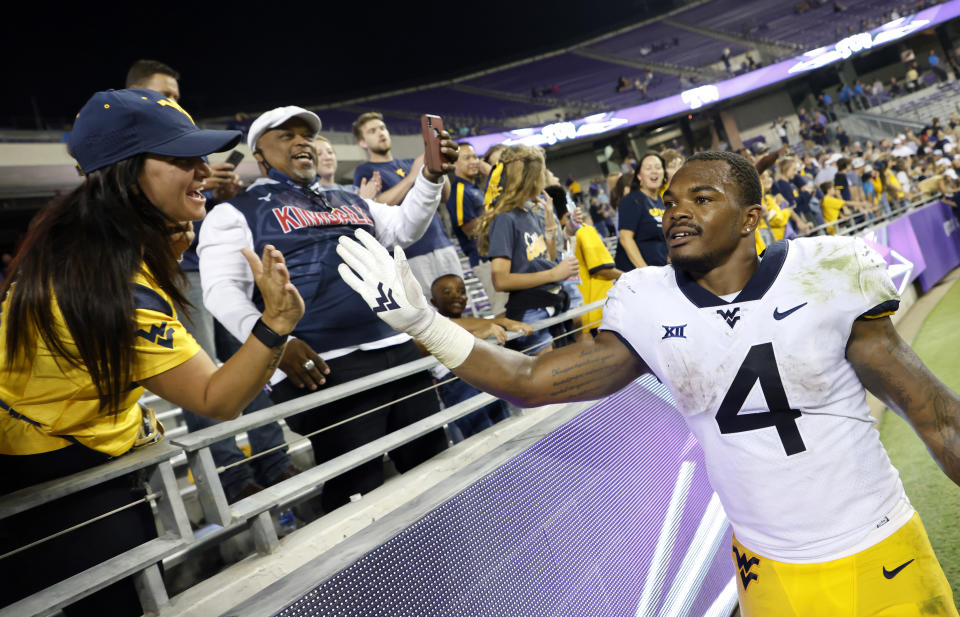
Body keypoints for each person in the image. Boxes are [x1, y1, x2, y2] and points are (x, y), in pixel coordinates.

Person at [337, 151, 960, 616]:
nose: (678, 210)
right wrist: (424, 323)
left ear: (751, 218)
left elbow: (937, 418)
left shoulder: (825, 273)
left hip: (877, 547)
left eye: (703, 197)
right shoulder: (648, 302)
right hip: (765, 568)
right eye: (672, 203)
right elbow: (529, 380)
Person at [0, 89, 304, 615]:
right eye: (181, 158)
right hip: (63, 490)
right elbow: (217, 397)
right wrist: (277, 323)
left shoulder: (82, 240)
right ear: (126, 175)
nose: (203, 171)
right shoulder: (112, 283)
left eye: (200, 156)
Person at [198, 105, 457, 513]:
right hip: (326, 369)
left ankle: (449, 562)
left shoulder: (348, 199)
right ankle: (368, 576)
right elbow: (220, 291)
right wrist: (277, 343)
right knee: (360, 494)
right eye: (286, 135)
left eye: (306, 134)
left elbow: (407, 227)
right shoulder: (235, 212)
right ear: (259, 155)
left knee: (435, 471)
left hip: (397, 350)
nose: (301, 140)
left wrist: (429, 178)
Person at [126, 59, 295, 503]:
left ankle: (275, 459)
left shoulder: (179, 143)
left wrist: (214, 197)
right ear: (137, 94)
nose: (176, 105)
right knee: (201, 381)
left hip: (210, 270)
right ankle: (231, 477)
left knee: (248, 362)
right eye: (167, 95)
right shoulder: (126, 151)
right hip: (171, 276)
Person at [474, 145, 578, 354]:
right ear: (529, 178)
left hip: (553, 301)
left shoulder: (532, 212)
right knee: (554, 377)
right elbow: (500, 280)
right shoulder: (505, 219)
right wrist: (553, 274)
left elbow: (547, 257)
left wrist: (549, 222)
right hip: (530, 311)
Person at [352, 112, 462, 293]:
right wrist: (412, 177)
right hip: (409, 254)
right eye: (372, 131)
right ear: (362, 142)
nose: (381, 133)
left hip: (442, 244)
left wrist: (438, 169)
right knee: (428, 314)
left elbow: (444, 196)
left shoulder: (410, 162)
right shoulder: (365, 170)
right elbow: (375, 205)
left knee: (458, 305)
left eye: (382, 128)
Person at [426, 274, 529, 441]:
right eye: (447, 292)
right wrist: (480, 334)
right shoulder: (433, 324)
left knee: (506, 426)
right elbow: (451, 332)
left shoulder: (472, 322)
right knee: (483, 437)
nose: (456, 295)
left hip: (482, 373)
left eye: (461, 291)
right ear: (433, 302)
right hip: (455, 380)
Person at [615, 153, 668, 270]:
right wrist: (645, 272)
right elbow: (625, 238)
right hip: (639, 276)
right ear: (639, 176)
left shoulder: (661, 202)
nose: (654, 171)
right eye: (648, 168)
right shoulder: (632, 200)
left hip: (661, 271)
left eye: (658, 167)